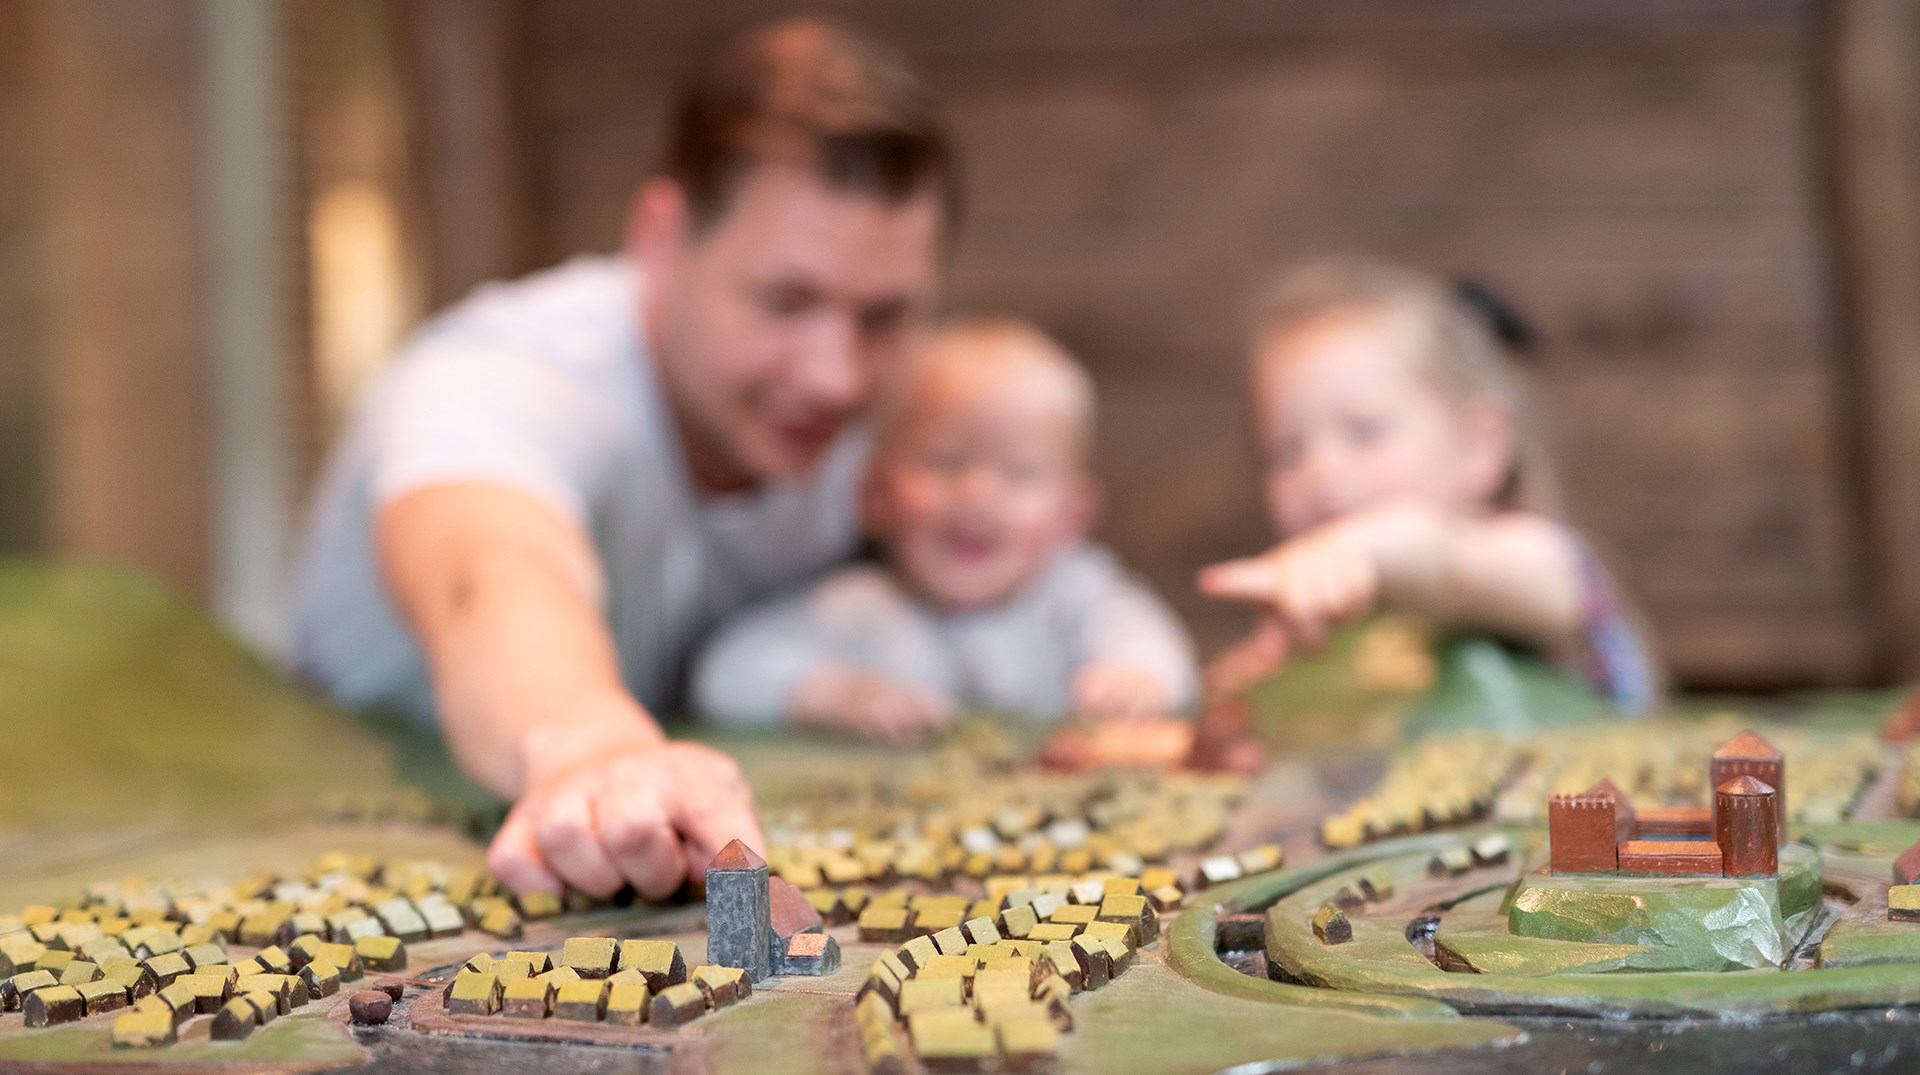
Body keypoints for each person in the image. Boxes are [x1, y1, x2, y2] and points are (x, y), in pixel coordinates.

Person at [289, 19, 957, 901]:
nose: (836, 376)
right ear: (660, 238)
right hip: (332, 827)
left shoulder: (857, 435)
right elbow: (491, 571)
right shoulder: (504, 374)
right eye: (785, 301)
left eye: (884, 317)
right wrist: (592, 746)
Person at [691, 319, 1199, 740]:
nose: (977, 495)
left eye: (1019, 473)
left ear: (1070, 519)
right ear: (875, 495)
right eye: (946, 461)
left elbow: (1159, 649)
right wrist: (834, 694)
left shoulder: (1077, 596)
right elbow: (724, 675)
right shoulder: (857, 607)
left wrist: (1135, 679)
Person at [1197, 257, 1660, 716]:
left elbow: (1442, 564)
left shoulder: (1536, 560)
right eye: (1287, 451)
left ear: (1479, 447)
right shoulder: (1329, 629)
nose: (1321, 471)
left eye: (1364, 431)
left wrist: (1353, 552)